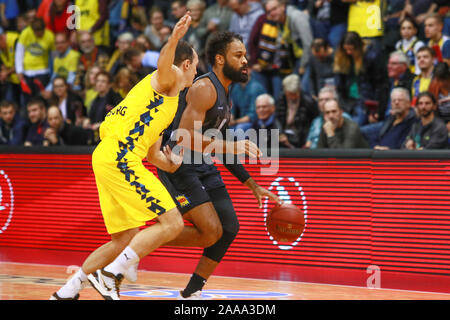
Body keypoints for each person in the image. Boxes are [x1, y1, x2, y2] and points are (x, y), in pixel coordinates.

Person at [51, 14, 197, 300]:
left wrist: (172, 164)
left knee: (125, 237)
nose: (195, 73)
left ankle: (67, 291)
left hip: (106, 156)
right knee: (172, 223)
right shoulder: (171, 77)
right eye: (196, 67)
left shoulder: (165, 105)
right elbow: (164, 63)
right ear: (187, 65)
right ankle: (109, 275)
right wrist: (174, 38)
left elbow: (153, 154)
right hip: (120, 155)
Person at [157, 31, 280, 299]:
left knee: (229, 228)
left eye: (245, 55)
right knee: (209, 231)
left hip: (202, 163)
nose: (246, 60)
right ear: (220, 60)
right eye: (239, 55)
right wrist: (233, 146)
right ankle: (136, 242)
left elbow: (218, 145)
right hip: (178, 163)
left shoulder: (226, 94)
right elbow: (185, 138)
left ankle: (191, 292)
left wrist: (252, 185)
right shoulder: (204, 88)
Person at [15, 17, 54, 106]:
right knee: (28, 100)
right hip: (27, 72)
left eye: (40, 31)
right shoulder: (25, 33)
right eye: (36, 31)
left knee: (41, 99)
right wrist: (19, 70)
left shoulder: (50, 36)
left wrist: (53, 73)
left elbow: (54, 57)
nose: (38, 34)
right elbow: (19, 52)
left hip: (42, 72)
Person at [277, 73, 319, 149]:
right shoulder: (281, 98)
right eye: (289, 94)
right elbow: (277, 118)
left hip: (300, 137)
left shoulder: (309, 102)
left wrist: (308, 139)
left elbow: (314, 122)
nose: (292, 97)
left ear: (299, 90)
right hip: (283, 134)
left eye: (295, 94)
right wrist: (280, 133)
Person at [85, 71, 122, 143]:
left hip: (112, 138)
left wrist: (101, 124)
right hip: (97, 137)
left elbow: (120, 118)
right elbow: (91, 117)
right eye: (98, 81)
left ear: (109, 84)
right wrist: (87, 121)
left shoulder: (116, 98)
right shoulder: (95, 100)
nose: (99, 84)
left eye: (103, 81)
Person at [229, 68, 266, 133]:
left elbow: (253, 116)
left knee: (239, 129)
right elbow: (232, 109)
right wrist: (231, 118)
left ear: (249, 71)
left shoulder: (255, 87)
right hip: (241, 121)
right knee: (227, 129)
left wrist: (235, 122)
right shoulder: (236, 87)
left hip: (257, 122)